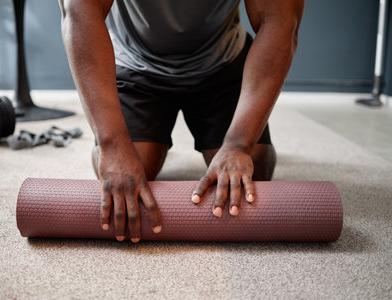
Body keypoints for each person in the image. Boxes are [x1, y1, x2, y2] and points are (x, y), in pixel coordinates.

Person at [59, 0, 304, 243]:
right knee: (125, 180)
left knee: (252, 174)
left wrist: (239, 146)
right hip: (135, 63)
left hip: (221, 61)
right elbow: (79, 11)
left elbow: (280, 21)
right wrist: (112, 144)